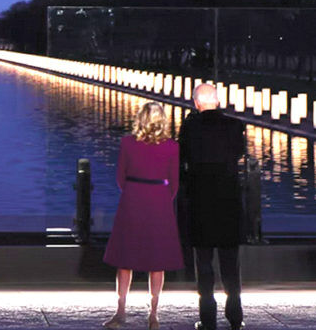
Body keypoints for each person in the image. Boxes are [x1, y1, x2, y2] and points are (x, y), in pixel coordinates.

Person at [102, 101, 185, 330]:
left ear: (140, 118)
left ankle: (120, 312)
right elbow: (174, 183)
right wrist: (160, 199)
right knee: (157, 260)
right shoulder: (171, 146)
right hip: (159, 199)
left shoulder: (128, 143)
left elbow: (120, 176)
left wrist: (133, 193)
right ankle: (154, 314)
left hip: (133, 197)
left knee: (124, 258)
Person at [179, 83, 246, 330]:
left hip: (201, 200)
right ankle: (235, 316)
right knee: (231, 263)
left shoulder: (190, 126)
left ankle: (208, 318)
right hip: (228, 201)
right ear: (218, 101)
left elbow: (182, 156)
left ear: (196, 103)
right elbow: (238, 154)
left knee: (204, 264)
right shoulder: (235, 126)